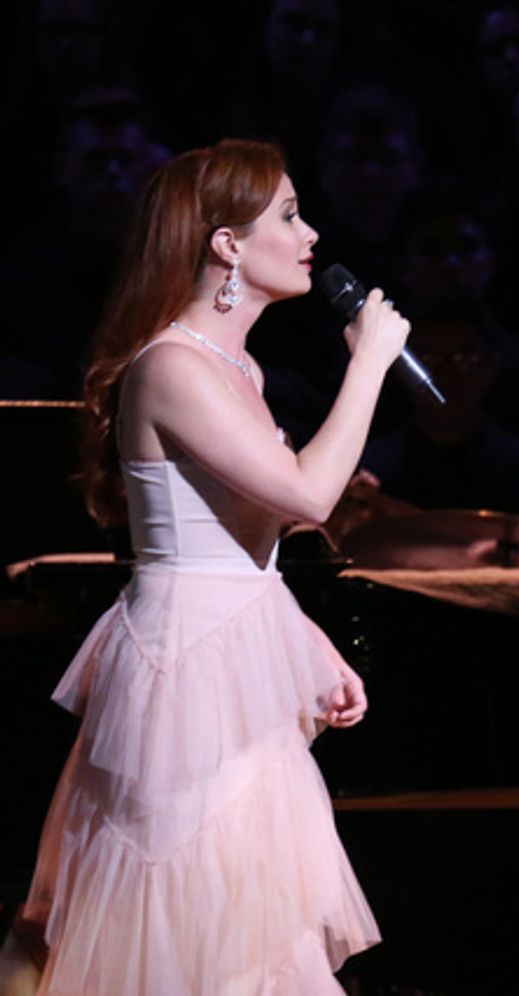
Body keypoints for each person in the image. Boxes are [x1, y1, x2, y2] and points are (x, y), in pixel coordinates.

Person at [3, 138, 407, 994]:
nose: (310, 234)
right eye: (288, 215)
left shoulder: (239, 367)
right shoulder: (171, 367)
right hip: (183, 678)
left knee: (255, 923)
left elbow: (241, 545)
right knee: (185, 902)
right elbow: (308, 500)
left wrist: (307, 644)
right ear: (226, 242)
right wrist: (367, 362)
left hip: (239, 658)